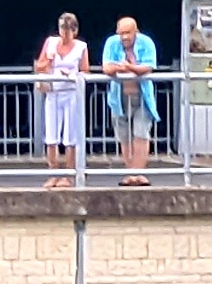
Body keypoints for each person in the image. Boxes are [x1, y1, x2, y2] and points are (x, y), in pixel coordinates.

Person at [100, 14, 161, 184]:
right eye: (122, 33)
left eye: (128, 33)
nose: (125, 37)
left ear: (136, 32)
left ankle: (139, 173)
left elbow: (148, 67)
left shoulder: (146, 42)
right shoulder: (112, 43)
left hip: (142, 97)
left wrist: (129, 67)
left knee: (141, 134)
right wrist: (120, 68)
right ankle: (130, 173)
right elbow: (106, 67)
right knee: (125, 137)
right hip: (119, 98)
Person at [32, 13, 89, 187]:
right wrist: (48, 62)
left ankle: (69, 175)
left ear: (75, 31)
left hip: (71, 93)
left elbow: (86, 71)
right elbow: (39, 65)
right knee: (51, 135)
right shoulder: (50, 43)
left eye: (67, 30)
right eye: (61, 28)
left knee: (71, 136)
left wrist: (72, 75)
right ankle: (53, 174)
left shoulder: (81, 47)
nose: (63, 33)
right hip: (53, 91)